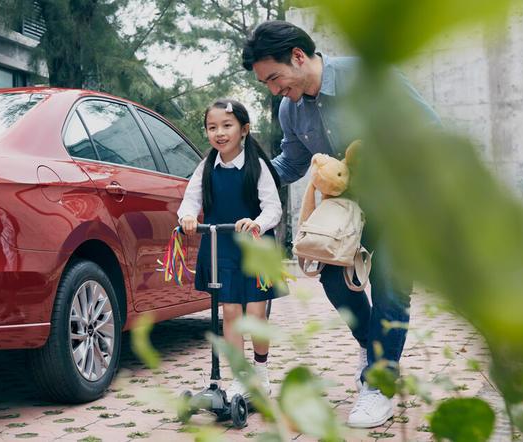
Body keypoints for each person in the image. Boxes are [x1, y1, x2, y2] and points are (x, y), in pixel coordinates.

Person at [241, 20, 440, 428]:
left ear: (298, 57)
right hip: (343, 216)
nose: (274, 90)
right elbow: (292, 162)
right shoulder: (290, 108)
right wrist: (247, 178)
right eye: (267, 84)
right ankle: (372, 347)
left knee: (390, 289)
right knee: (334, 282)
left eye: (275, 78)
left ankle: (379, 385)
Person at [178, 98, 283, 399]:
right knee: (232, 313)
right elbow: (190, 200)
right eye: (212, 127)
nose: (219, 133)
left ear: (244, 129)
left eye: (227, 125)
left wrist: (256, 223)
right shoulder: (206, 167)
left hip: (254, 248)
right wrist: (187, 217)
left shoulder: (256, 166)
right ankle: (240, 377)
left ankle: (261, 372)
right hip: (220, 247)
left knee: (256, 314)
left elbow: (273, 208)